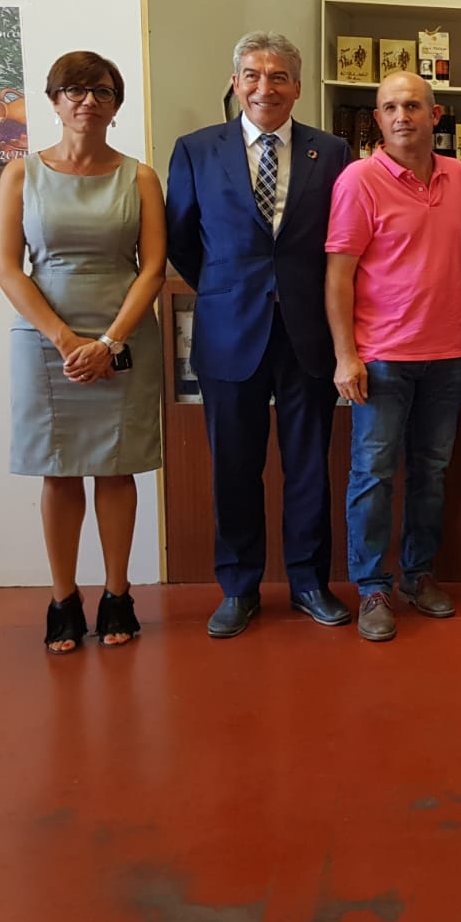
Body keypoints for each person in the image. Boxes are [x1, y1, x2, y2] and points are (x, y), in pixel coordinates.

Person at [166, 32, 352, 637]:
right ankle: (239, 586)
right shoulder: (197, 150)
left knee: (309, 466)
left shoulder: (334, 151)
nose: (263, 87)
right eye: (252, 75)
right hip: (228, 330)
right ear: (235, 82)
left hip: (307, 332)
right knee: (234, 467)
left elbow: (343, 239)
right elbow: (181, 240)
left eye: (277, 77)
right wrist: (227, 289)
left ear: (296, 87)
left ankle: (309, 583)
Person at [0, 52, 164, 653]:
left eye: (101, 91)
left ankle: (118, 595)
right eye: (74, 89)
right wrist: (67, 341)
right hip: (48, 341)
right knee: (60, 469)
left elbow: (152, 269)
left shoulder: (140, 177)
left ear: (116, 106)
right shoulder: (20, 175)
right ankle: (62, 600)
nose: (88, 101)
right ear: (54, 100)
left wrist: (109, 342)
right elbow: (8, 269)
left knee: (117, 468)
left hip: (123, 336)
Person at [325, 72, 461, 642]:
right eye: (390, 107)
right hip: (382, 358)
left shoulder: (459, 176)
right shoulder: (358, 180)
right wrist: (346, 356)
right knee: (372, 475)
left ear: (435, 115)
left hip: (450, 354)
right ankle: (372, 588)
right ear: (377, 119)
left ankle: (418, 574)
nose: (401, 116)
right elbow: (338, 277)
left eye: (413, 105)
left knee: (431, 474)